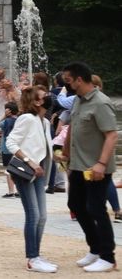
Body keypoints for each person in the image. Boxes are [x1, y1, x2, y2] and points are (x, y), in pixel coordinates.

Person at [60, 62, 117, 272]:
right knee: (75, 204)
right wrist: (66, 151)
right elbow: (72, 126)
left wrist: (101, 164)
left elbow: (111, 135)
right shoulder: (77, 100)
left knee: (96, 209)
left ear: (79, 80)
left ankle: (108, 257)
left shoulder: (101, 103)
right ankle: (95, 248)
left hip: (95, 168)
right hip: (77, 165)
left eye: (68, 81)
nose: (66, 85)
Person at [7, 84, 56, 273]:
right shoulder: (27, 118)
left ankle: (36, 254)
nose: (48, 97)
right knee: (34, 214)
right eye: (44, 96)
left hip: (39, 172)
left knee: (42, 216)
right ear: (36, 102)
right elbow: (11, 142)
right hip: (26, 172)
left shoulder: (44, 122)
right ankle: (32, 258)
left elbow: (43, 148)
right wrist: (30, 161)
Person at [0, 100, 19, 198]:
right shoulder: (19, 120)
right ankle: (19, 190)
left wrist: (5, 116)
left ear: (8, 111)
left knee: (8, 170)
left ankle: (11, 192)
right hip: (17, 148)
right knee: (17, 169)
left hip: (7, 149)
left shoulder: (6, 121)